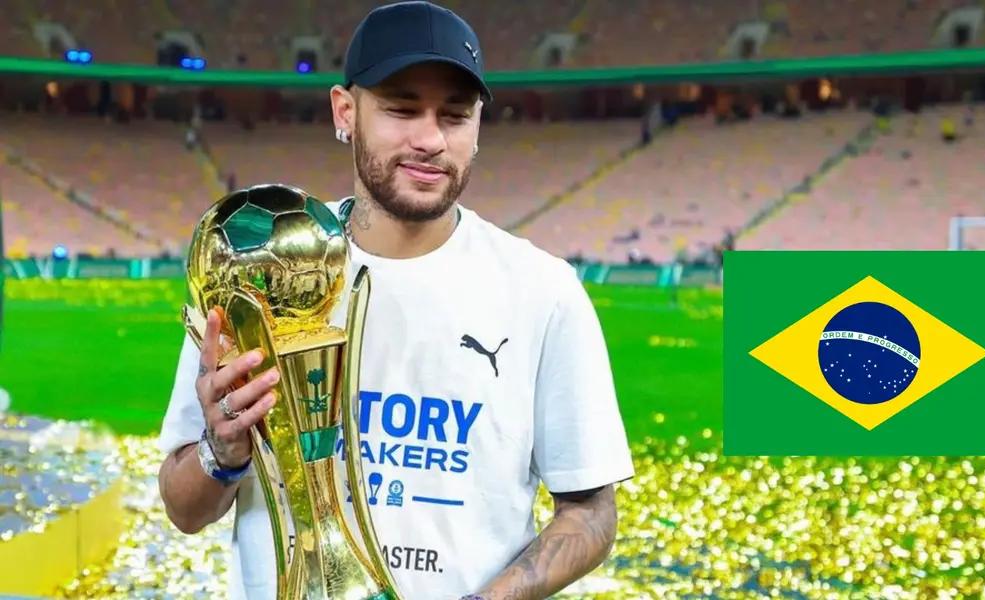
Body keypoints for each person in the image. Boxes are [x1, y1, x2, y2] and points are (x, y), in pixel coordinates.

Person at [155, 3, 635, 599]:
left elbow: (591, 512)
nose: (430, 139)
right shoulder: (259, 270)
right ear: (345, 111)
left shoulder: (544, 291)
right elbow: (184, 509)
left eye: (455, 115)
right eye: (402, 109)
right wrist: (221, 451)